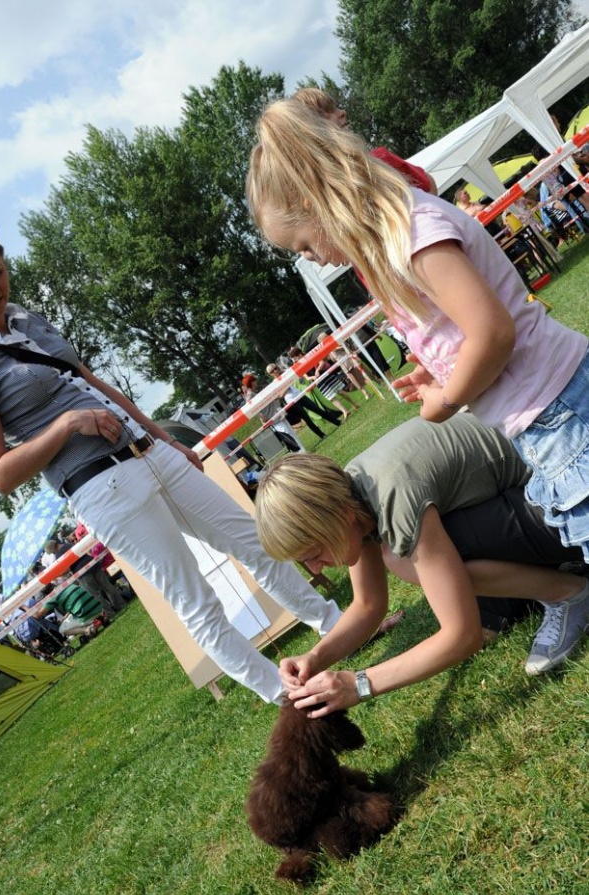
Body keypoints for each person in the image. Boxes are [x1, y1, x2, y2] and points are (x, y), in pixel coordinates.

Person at [0, 218, 342, 704]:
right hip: (99, 488)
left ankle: (338, 630)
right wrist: (65, 426)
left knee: (256, 540)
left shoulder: (31, 322)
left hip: (150, 454)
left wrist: (164, 439)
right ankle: (289, 697)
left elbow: (96, 385)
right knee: (196, 599)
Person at [246, 98, 589, 582]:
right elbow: (469, 328)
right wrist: (443, 369)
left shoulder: (409, 231)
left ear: (315, 202)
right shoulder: (396, 239)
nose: (315, 259)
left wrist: (448, 400)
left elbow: (492, 333)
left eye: (304, 245)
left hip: (559, 412)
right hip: (546, 414)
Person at [254, 415, 589, 717]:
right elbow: (368, 605)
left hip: (573, 504)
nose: (316, 569)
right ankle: (530, 589)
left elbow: (462, 635)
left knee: (402, 559)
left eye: (313, 553)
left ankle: (568, 593)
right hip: (543, 492)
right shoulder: (351, 491)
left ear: (341, 518)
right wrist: (315, 658)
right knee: (407, 556)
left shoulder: (392, 497)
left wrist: (358, 684)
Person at [292, 87, 438, 194]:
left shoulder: (316, 194)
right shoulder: (379, 161)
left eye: (335, 107)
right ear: (315, 130)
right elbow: (429, 185)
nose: (342, 112)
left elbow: (427, 184)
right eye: (326, 113)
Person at [265, 363, 340, 440]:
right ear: (270, 374)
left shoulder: (285, 374)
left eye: (276, 368)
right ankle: (321, 435)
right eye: (272, 371)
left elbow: (292, 371)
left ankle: (337, 422)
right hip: (292, 401)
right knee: (307, 419)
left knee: (317, 409)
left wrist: (283, 372)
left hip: (300, 395)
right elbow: (279, 396)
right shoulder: (274, 384)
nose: (275, 371)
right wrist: (285, 388)